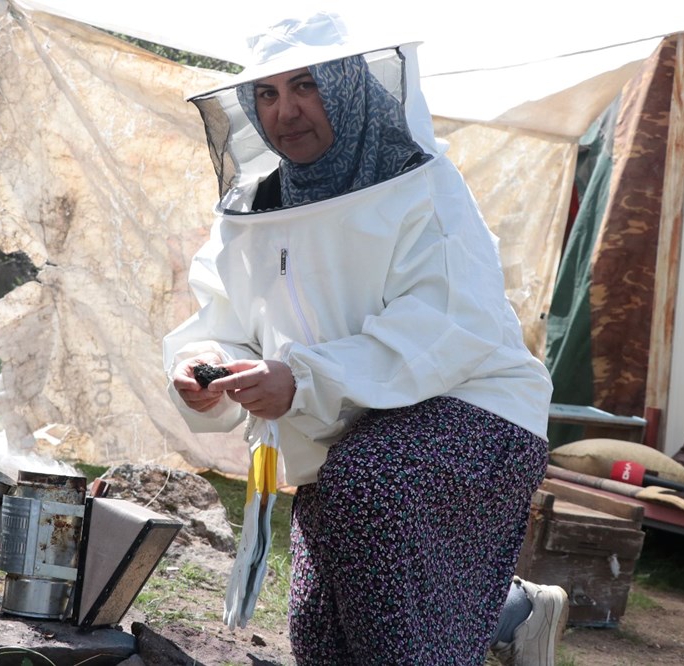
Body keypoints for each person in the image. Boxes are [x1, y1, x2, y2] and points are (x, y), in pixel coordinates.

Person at [163, 11, 567, 665]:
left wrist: (303, 378)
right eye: (267, 94)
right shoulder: (254, 210)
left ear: (348, 86)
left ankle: (490, 624)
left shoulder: (423, 185)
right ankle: (515, 614)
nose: (285, 111)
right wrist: (208, 365)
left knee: (370, 501)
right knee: (321, 636)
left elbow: (445, 323)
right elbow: (225, 324)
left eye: (306, 86)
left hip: (479, 413)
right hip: (350, 428)